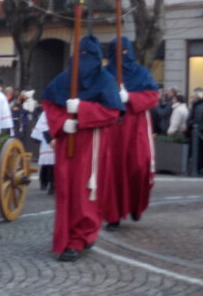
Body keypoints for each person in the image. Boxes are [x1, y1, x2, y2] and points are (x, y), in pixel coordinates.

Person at [42, 35, 123, 262]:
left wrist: (83, 109)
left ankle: (80, 237)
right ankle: (66, 237)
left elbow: (112, 112)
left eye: (89, 56)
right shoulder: (63, 79)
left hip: (92, 141)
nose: (84, 62)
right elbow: (50, 104)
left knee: (85, 191)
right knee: (67, 190)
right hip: (67, 141)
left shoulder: (105, 80)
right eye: (81, 56)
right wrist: (61, 123)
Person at [102, 37, 158, 229]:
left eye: (124, 52)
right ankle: (113, 214)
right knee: (112, 172)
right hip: (112, 127)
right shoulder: (104, 74)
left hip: (136, 126)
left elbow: (152, 97)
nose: (121, 57)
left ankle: (136, 205)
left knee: (139, 167)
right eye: (117, 53)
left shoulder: (142, 73)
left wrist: (130, 97)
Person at [31, 111, 55, 195]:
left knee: (52, 162)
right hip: (49, 138)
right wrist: (50, 140)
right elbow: (44, 127)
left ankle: (51, 183)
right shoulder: (46, 113)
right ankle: (47, 183)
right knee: (49, 162)